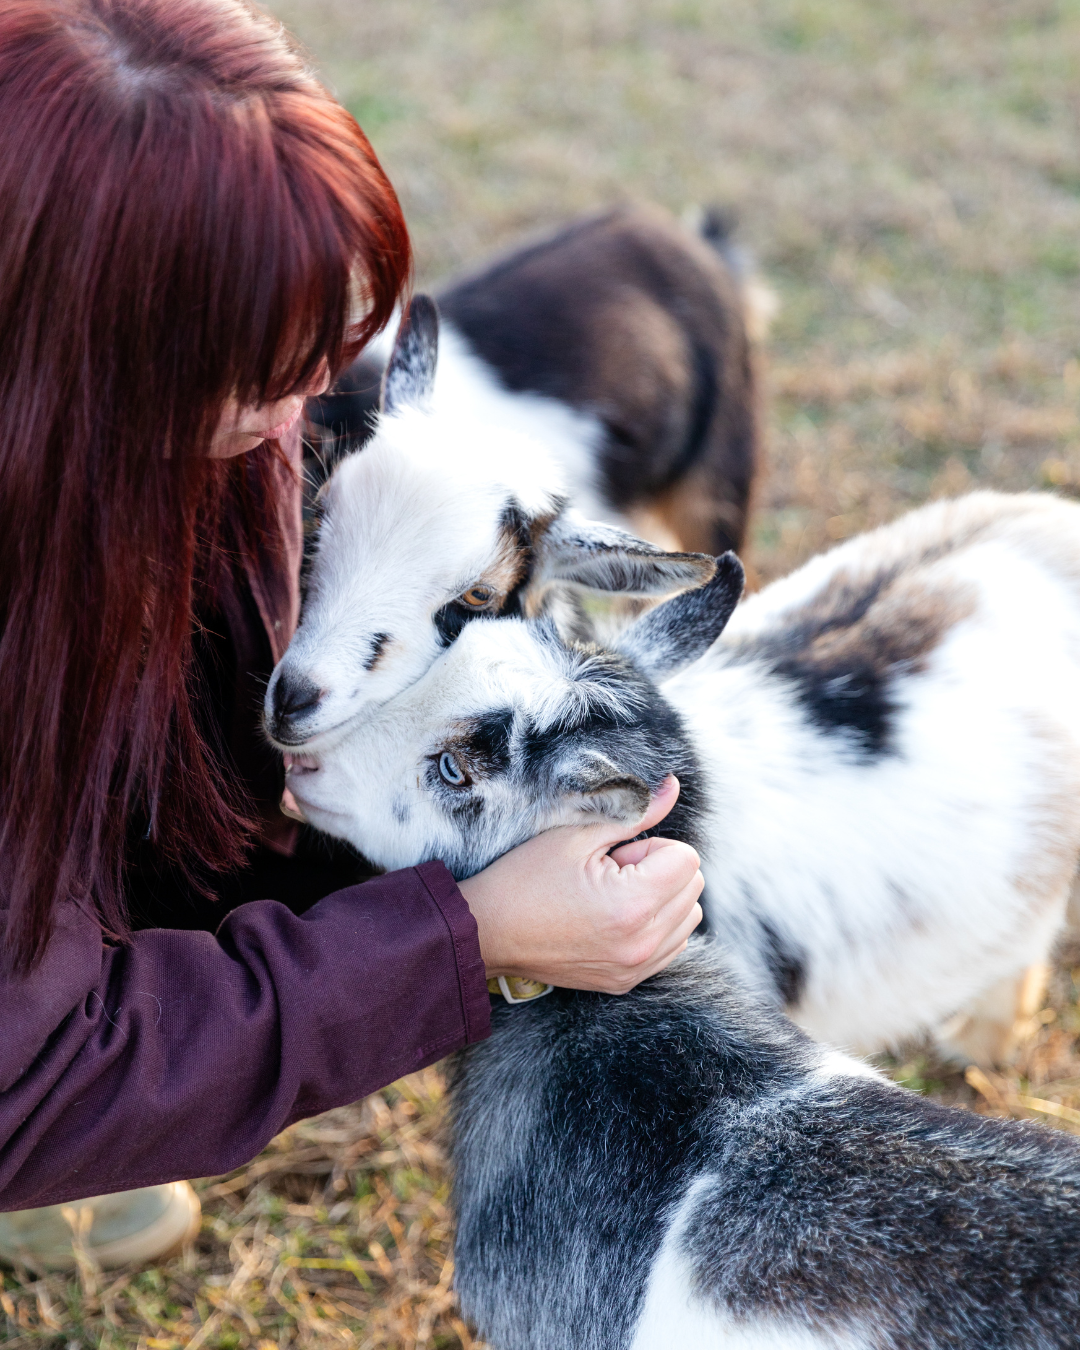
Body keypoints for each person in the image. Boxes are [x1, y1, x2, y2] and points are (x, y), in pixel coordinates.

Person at [0, 0, 704, 1266]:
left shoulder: (219, 445)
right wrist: (464, 934)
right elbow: (22, 1080)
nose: (308, 404)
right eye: (260, 367)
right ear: (75, 365)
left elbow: (215, 771)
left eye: (332, 343)